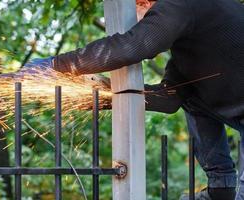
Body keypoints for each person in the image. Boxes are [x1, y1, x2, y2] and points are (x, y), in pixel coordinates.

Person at [18, 0, 244, 199]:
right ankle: (221, 187)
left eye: (139, 20)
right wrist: (102, 94)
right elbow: (169, 98)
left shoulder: (180, 3)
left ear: (143, 2)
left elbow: (131, 46)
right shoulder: (189, 50)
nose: (139, 27)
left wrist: (56, 65)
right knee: (191, 97)